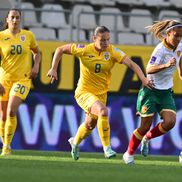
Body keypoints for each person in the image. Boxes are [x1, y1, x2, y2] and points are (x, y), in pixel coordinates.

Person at [47, 26, 153, 160]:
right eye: (102, 40)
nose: (106, 43)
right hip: (84, 92)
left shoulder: (112, 51)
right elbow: (60, 49)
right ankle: (107, 148)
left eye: (108, 40)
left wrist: (143, 78)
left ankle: (75, 142)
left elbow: (132, 64)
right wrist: (53, 68)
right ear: (94, 39)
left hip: (101, 94)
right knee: (103, 111)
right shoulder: (84, 49)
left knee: (90, 124)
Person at [123, 19, 182, 164]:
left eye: (181, 36)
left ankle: (148, 138)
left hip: (166, 91)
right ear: (168, 33)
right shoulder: (160, 50)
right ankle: (128, 154)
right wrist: (166, 65)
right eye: (176, 35)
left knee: (170, 122)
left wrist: (180, 72)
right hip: (151, 90)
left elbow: (180, 58)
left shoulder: (180, 45)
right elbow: (149, 69)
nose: (178, 39)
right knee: (144, 126)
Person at [0, 9, 41, 156]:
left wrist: (35, 66)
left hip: (22, 79)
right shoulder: (1, 37)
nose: (15, 20)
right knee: (3, 115)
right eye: (13, 17)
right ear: (7, 20)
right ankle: (5, 143)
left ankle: (6, 146)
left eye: (18, 17)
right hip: (4, 80)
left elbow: (37, 52)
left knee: (11, 110)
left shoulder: (28, 36)